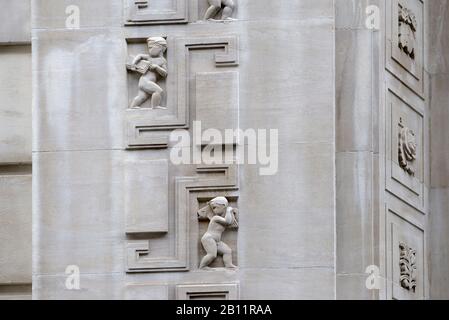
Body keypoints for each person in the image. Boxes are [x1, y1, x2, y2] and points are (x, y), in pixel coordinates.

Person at [197, 197, 237, 269]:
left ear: (223, 206)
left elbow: (230, 222)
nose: (213, 210)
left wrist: (231, 213)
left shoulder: (222, 218)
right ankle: (202, 266)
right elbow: (227, 222)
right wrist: (228, 211)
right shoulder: (215, 218)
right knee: (212, 254)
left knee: (227, 251)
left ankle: (228, 265)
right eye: (212, 208)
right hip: (209, 238)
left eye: (215, 207)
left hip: (217, 241)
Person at [128, 37, 168, 109]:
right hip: (145, 81)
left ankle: (133, 106)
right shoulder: (149, 57)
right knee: (158, 91)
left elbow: (165, 73)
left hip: (144, 82)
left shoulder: (162, 61)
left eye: (151, 48)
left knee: (142, 97)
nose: (149, 50)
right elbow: (139, 56)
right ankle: (155, 106)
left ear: (160, 48)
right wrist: (133, 63)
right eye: (148, 48)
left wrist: (157, 67)